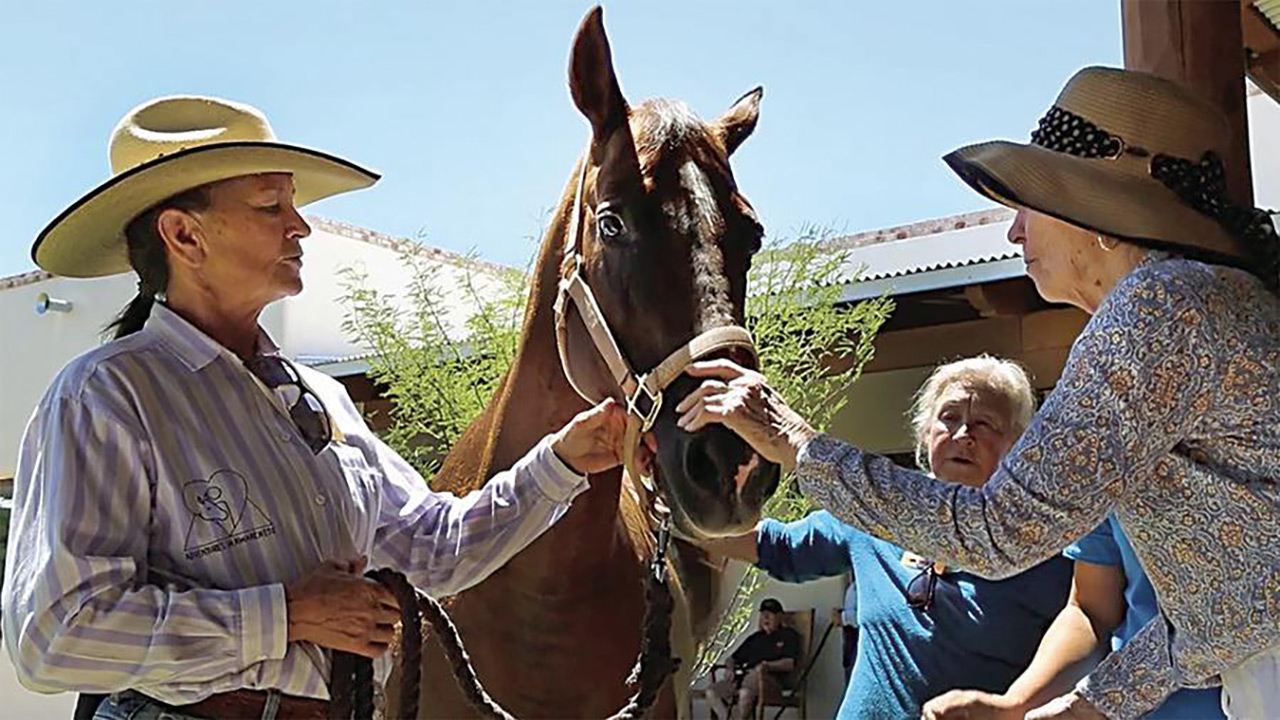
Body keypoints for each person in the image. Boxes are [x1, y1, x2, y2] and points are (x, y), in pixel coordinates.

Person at [674, 66, 1280, 720]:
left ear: (1101, 216)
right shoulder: (1200, 304)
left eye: (1029, 204)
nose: (1015, 231)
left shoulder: (1156, 311)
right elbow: (1229, 609)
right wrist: (1078, 709)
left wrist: (792, 438)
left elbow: (995, 532)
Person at [1, 96, 626, 720]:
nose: (300, 226)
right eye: (271, 206)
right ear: (183, 234)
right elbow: (55, 635)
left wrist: (568, 458)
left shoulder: (321, 398)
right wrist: (289, 615)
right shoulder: (107, 396)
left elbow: (436, 551)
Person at [699, 357, 1072, 719]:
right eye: (949, 417)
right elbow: (777, 547)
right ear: (925, 435)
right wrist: (677, 513)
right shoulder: (879, 510)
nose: (963, 435)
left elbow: (1086, 637)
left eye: (984, 424)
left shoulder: (1041, 541)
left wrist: (1015, 706)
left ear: (1017, 445)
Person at [925, 514, 1224, 719]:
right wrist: (1014, 706)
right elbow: (1091, 611)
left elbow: (1228, 614)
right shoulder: (1114, 461)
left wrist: (1099, 701)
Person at [704, 598, 801, 720]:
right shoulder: (755, 638)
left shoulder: (788, 635)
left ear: (780, 617)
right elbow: (732, 658)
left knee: (745, 693)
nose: (766, 617)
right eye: (763, 614)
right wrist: (730, 668)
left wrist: (767, 665)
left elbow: (790, 663)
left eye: (770, 614)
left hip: (770, 681)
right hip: (742, 680)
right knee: (712, 692)